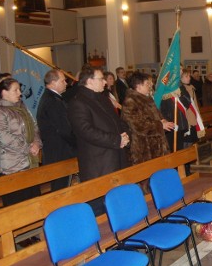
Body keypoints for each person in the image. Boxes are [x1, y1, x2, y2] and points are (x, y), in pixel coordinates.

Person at [68, 65, 130, 215]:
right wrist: (116, 139)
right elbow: (86, 131)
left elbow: (117, 121)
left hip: (115, 155)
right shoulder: (78, 102)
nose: (105, 82)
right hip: (98, 161)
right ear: (89, 81)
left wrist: (125, 134)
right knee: (100, 205)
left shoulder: (103, 98)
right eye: (101, 79)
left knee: (117, 201)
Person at [0, 78, 42, 206]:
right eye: (16, 90)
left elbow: (34, 126)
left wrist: (36, 143)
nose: (20, 93)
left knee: (33, 198)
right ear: (4, 93)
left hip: (30, 160)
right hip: (12, 163)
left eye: (19, 89)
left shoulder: (22, 106)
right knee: (17, 202)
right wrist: (27, 147)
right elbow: (3, 135)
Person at [36, 70, 76, 191]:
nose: (66, 83)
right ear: (53, 83)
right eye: (63, 80)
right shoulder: (52, 101)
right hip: (59, 152)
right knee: (60, 188)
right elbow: (63, 128)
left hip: (60, 150)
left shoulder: (54, 98)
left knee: (63, 186)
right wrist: (77, 143)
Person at [121, 72, 173, 165]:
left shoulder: (148, 99)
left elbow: (157, 116)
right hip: (144, 147)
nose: (150, 86)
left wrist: (163, 121)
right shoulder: (130, 101)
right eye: (147, 84)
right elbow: (138, 125)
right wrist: (160, 125)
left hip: (157, 144)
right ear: (138, 86)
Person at [160, 69, 204, 175]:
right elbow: (161, 107)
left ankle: (185, 172)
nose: (180, 73)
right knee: (172, 152)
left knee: (181, 151)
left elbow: (187, 101)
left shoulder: (180, 87)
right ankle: (174, 174)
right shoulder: (163, 88)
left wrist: (178, 94)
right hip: (169, 125)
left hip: (181, 124)